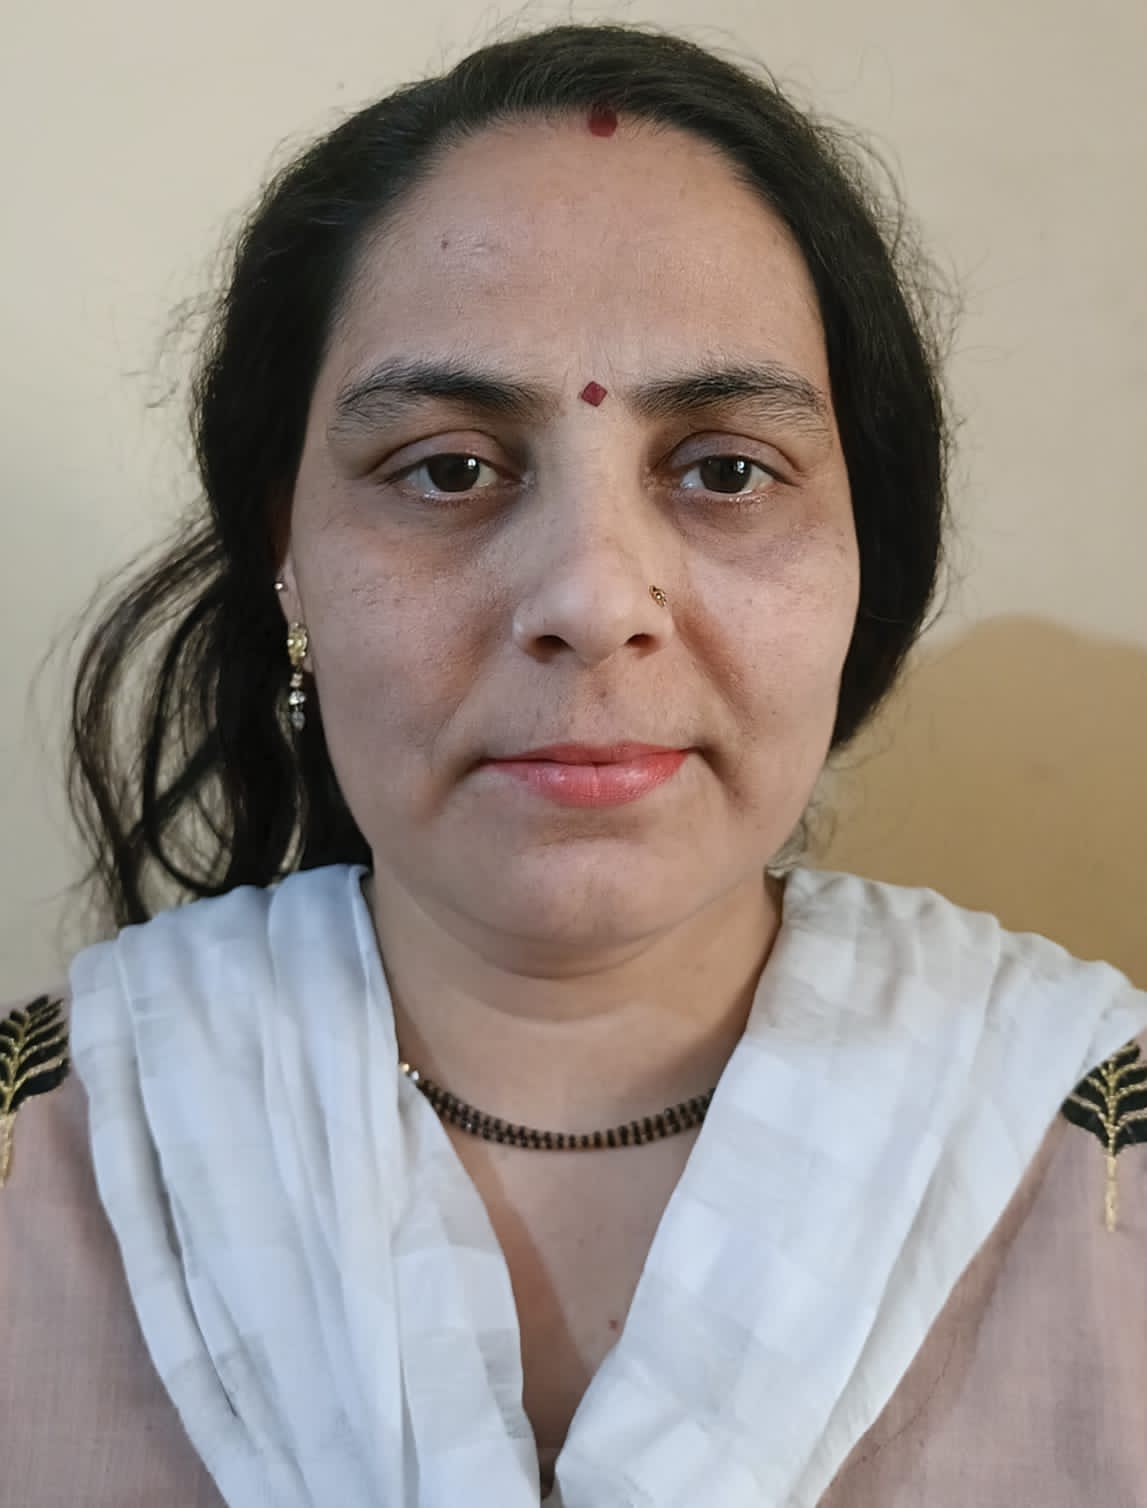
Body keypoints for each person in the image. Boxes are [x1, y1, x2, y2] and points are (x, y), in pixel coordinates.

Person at [2, 21, 1144, 1508]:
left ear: (869, 549)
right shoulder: (41, 1157)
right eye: (449, 469)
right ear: (287, 555)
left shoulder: (1098, 1154)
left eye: (726, 470)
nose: (596, 601)